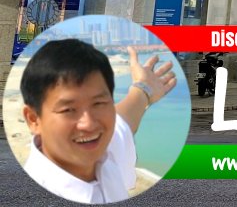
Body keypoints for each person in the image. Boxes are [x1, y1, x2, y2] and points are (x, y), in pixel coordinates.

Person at [20, 39, 178, 204]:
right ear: (33, 119)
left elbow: (122, 123)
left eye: (98, 103)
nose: (88, 124)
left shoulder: (103, 155)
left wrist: (144, 88)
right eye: (68, 110)